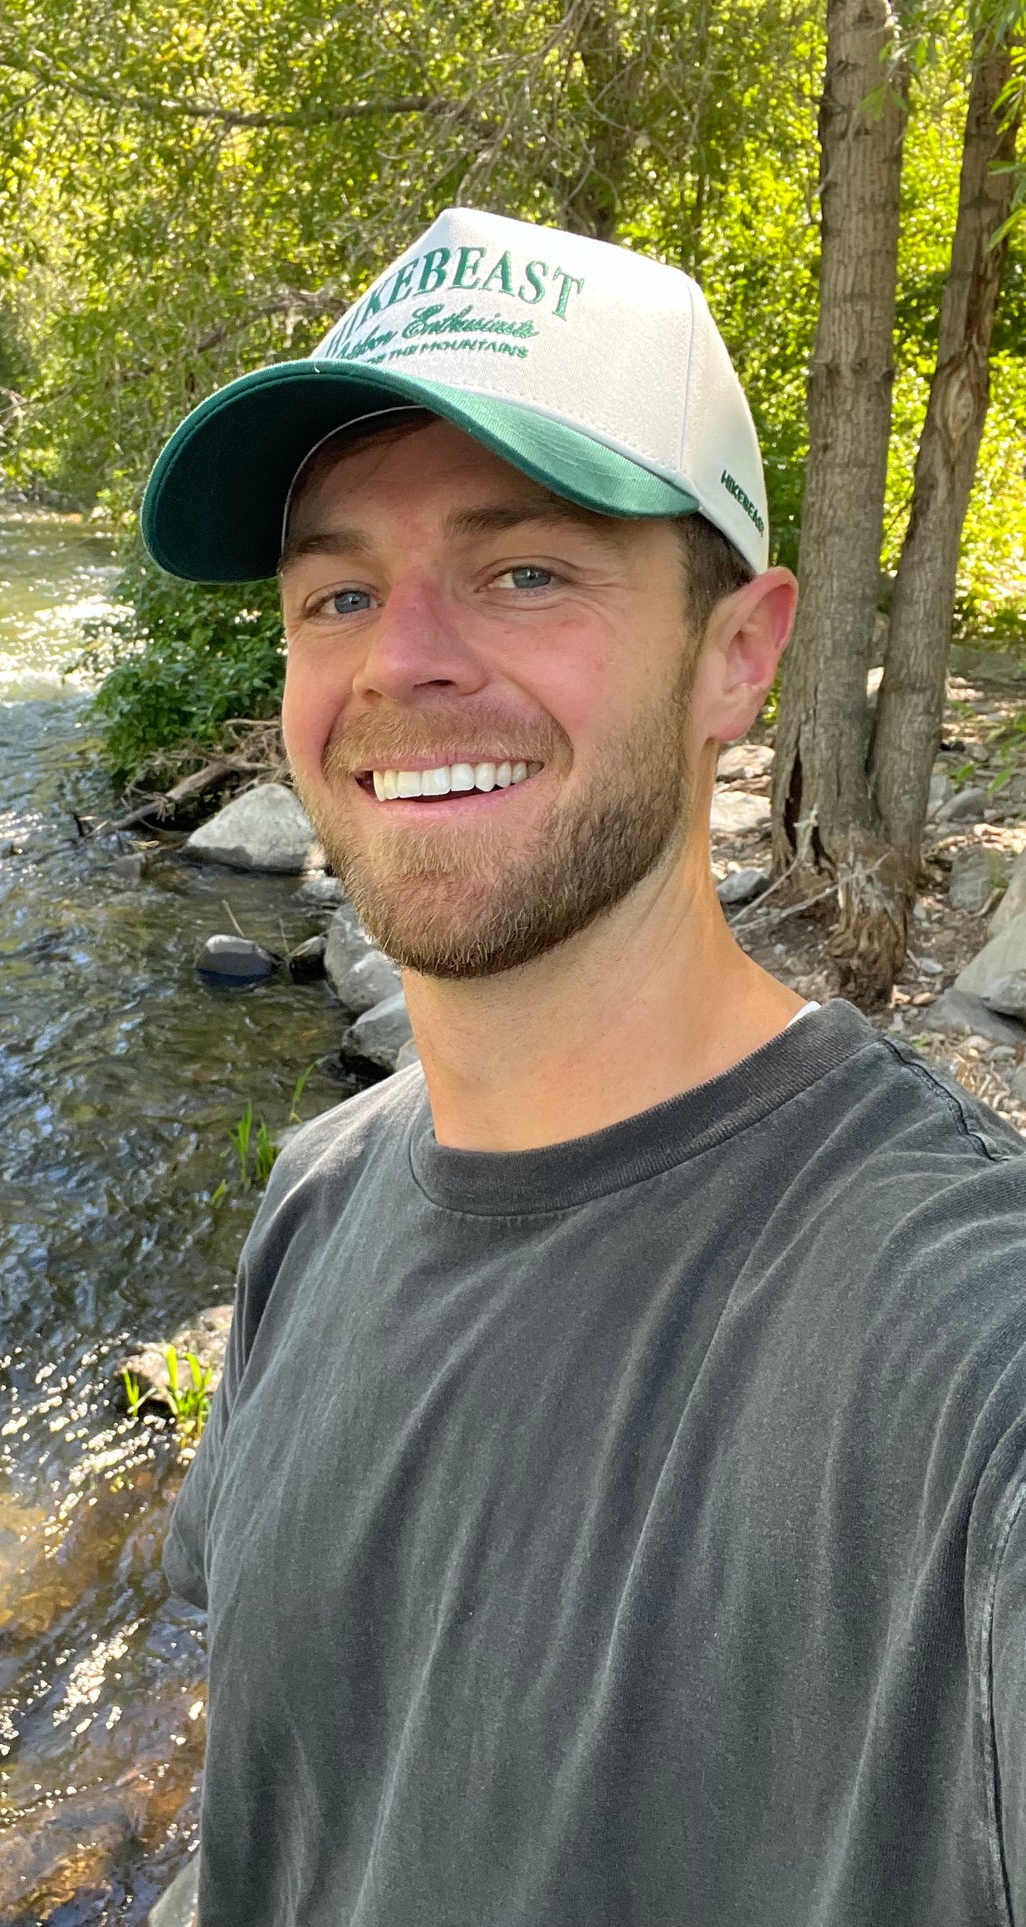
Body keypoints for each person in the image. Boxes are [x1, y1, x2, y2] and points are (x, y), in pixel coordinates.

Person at [140, 207, 1026, 1926]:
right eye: (337, 590)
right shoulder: (317, 1206)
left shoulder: (955, 1351)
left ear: (739, 654)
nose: (399, 659)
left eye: (524, 569)